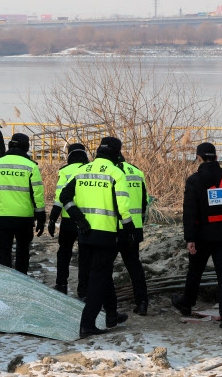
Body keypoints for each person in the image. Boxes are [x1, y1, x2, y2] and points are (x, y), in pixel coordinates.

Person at [60, 136, 135, 338]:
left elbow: (64, 197)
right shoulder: (116, 173)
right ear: (117, 154)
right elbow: (123, 208)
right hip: (106, 234)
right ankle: (87, 324)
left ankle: (111, 314)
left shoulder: (82, 170)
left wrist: (78, 218)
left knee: (102, 274)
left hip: (85, 234)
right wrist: (129, 230)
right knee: (99, 278)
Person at [171, 142, 222, 331]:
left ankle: (186, 303)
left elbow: (190, 212)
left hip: (202, 236)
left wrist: (190, 238)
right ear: (216, 156)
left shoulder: (194, 180)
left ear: (199, 157)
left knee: (195, 272)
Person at [0, 133, 46, 274]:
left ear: (10, 145)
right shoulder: (31, 166)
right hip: (24, 218)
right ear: (26, 147)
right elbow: (37, 194)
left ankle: (5, 281)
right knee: (23, 251)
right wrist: (41, 217)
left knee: (3, 250)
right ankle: (21, 279)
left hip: (2, 216)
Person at [48, 143, 90, 297]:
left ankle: (61, 284)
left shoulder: (65, 171)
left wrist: (53, 218)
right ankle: (83, 289)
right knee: (84, 255)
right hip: (86, 221)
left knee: (64, 252)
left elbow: (60, 197)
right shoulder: (89, 170)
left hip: (68, 220)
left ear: (69, 155)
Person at [116, 153, 149, 316]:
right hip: (134, 227)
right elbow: (144, 201)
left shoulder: (111, 171)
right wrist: (140, 223)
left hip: (114, 226)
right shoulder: (137, 172)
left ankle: (106, 305)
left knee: (103, 266)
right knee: (134, 266)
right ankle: (142, 302)